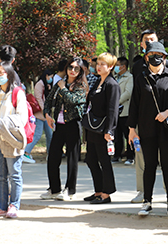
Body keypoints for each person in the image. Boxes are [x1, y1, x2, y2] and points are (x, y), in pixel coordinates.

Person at [128, 41, 168, 217]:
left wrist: (167, 112)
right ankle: (147, 201)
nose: (155, 58)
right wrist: (131, 128)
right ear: (146, 57)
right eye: (152, 55)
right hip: (146, 129)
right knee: (149, 165)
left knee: (167, 165)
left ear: (164, 57)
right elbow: (134, 104)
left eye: (159, 55)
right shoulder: (141, 77)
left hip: (167, 129)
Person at [0, 62, 28, 219]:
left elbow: (21, 118)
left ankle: (14, 205)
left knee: (14, 173)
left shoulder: (18, 93)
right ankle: (1, 206)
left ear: (10, 74)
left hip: (11, 138)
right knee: (0, 174)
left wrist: (1, 125)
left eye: (2, 73)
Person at [41, 57, 88, 201]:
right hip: (59, 125)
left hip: (73, 124)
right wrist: (47, 115)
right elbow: (48, 100)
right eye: (70, 67)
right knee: (53, 157)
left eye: (76, 68)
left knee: (72, 158)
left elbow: (73, 100)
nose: (72, 71)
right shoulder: (60, 83)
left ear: (80, 71)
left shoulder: (81, 86)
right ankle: (54, 189)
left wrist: (63, 88)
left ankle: (70, 190)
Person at [83, 53, 121, 204]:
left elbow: (113, 109)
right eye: (98, 63)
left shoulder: (112, 84)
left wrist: (109, 130)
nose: (98, 67)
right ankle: (98, 190)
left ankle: (106, 193)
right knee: (91, 160)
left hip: (104, 129)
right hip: (93, 127)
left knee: (104, 161)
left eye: (102, 64)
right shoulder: (98, 81)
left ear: (111, 67)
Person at [23, 68, 55, 164]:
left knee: (50, 134)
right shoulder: (39, 84)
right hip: (39, 115)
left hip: (45, 115)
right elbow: (38, 99)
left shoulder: (46, 85)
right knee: (37, 135)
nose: (51, 79)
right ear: (46, 76)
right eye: (51, 77)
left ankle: (51, 154)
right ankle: (26, 152)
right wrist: (45, 111)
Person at [113, 56, 134, 164]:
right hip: (115, 112)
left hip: (125, 110)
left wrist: (117, 102)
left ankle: (130, 156)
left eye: (117, 65)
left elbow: (128, 92)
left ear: (123, 66)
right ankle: (117, 155)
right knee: (117, 135)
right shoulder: (116, 77)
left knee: (127, 134)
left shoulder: (129, 77)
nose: (115, 67)